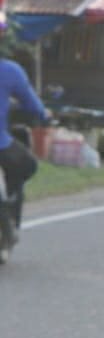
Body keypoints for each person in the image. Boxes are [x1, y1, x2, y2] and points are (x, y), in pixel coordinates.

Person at [0, 44, 50, 231]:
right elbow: (33, 105)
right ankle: (11, 215)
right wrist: (44, 115)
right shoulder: (10, 70)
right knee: (27, 165)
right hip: (1, 144)